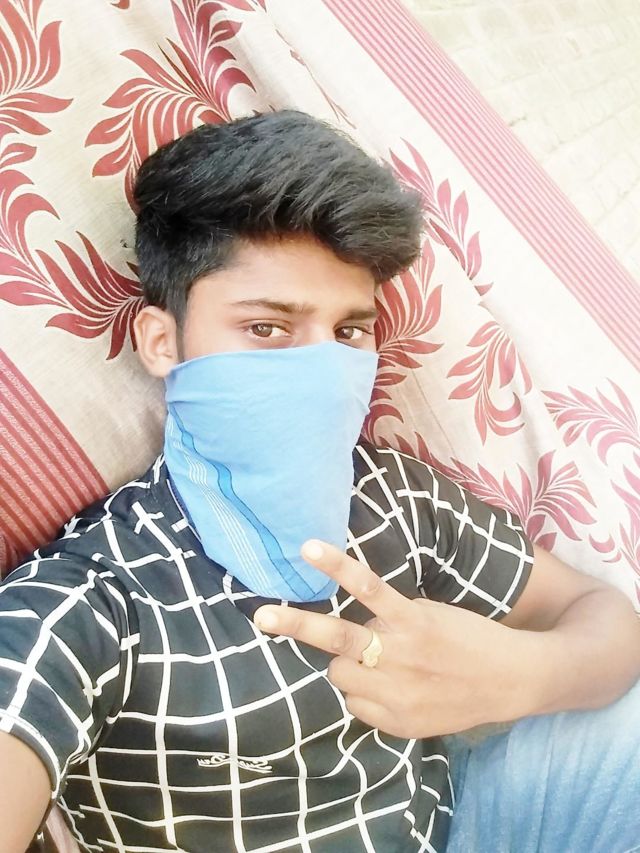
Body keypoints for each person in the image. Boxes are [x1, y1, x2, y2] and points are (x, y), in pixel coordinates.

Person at [0, 110, 639, 853]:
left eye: (348, 332)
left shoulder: (393, 494)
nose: (322, 371)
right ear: (162, 341)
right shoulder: (91, 596)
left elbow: (605, 618)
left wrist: (517, 675)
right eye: (267, 329)